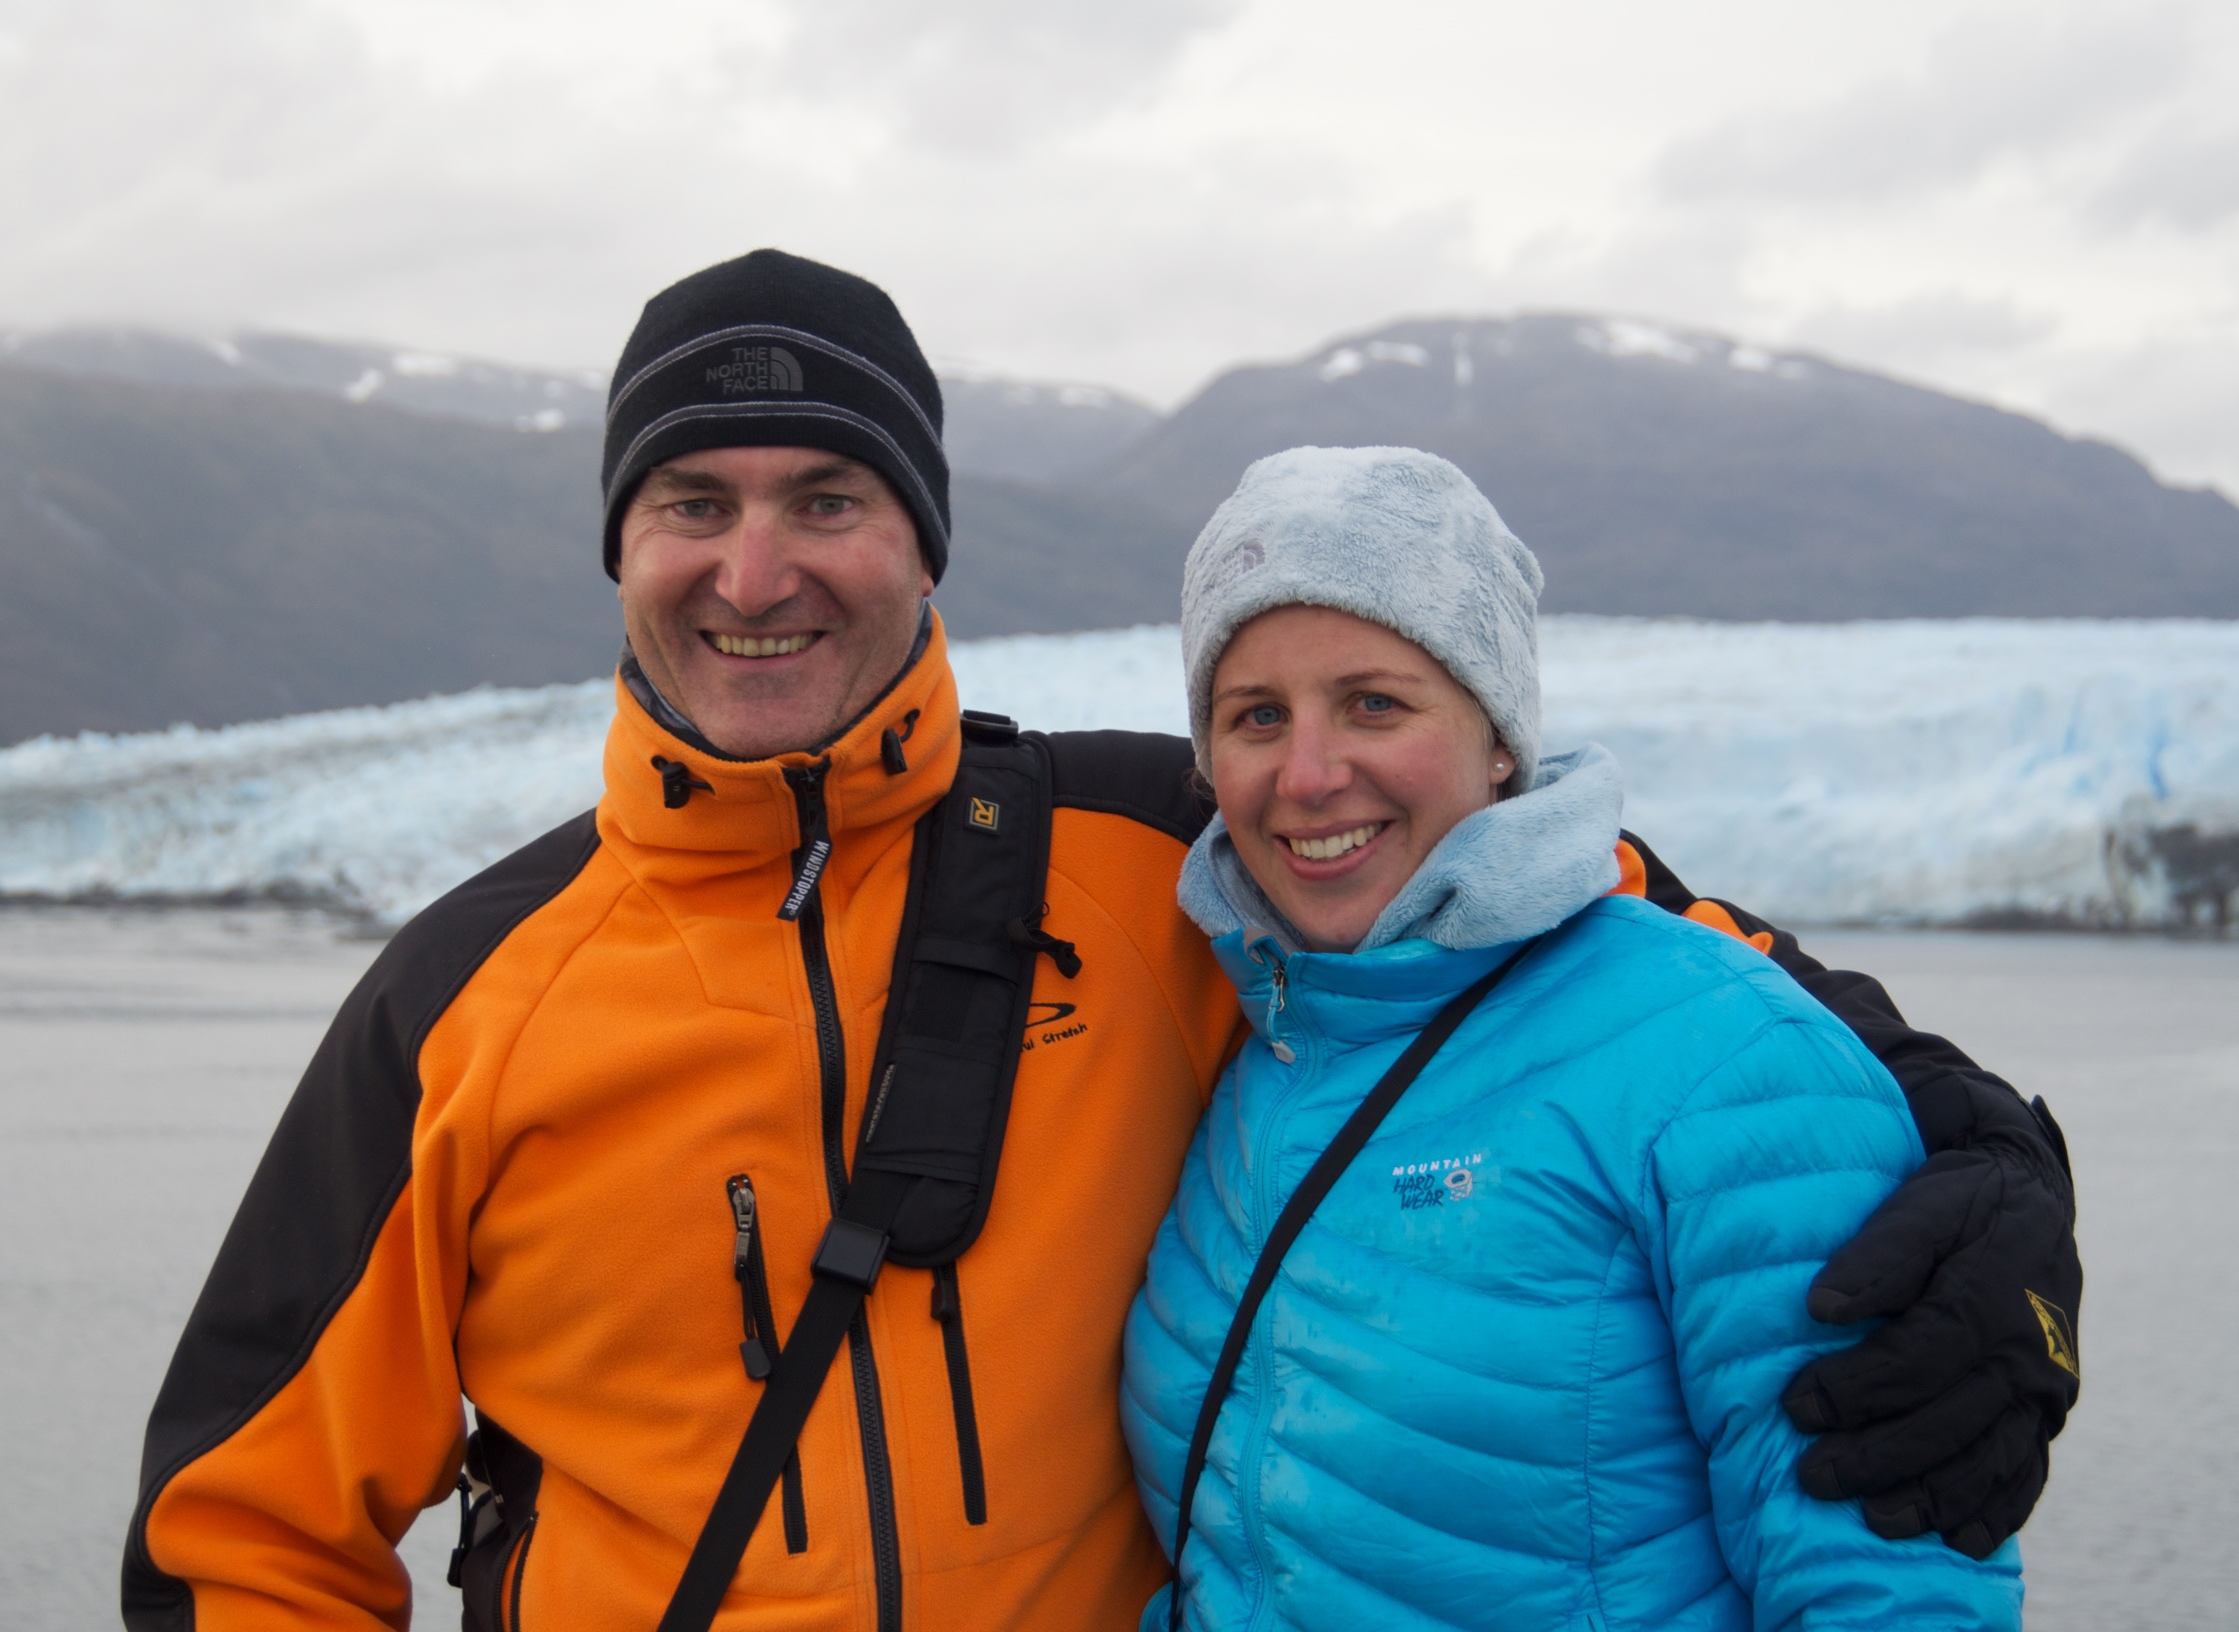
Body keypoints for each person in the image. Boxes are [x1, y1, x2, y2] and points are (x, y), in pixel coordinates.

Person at [121, 252, 2078, 1632]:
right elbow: (244, 1537)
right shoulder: (469, 996)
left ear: (922, 540)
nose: (755, 567)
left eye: (828, 496)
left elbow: (1583, 925)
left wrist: (1968, 1138)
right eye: (690, 501)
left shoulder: (1167, 846)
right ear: (619, 548)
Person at [1120, 445, 2028, 1630]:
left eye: (1374, 702)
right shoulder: (1269, 1054)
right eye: (1255, 716)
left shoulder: (1720, 1058)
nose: (1307, 773)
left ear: (1498, 735)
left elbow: (1888, 1583)